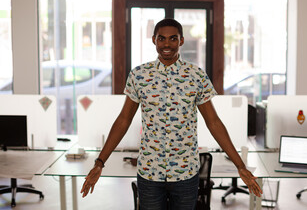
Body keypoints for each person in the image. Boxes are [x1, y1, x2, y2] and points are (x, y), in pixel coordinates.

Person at [80, 18, 262, 209]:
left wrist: (240, 165)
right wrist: (100, 162)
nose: (167, 44)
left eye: (173, 39)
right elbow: (123, 120)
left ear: (181, 41)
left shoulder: (196, 76)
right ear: (154, 40)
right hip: (150, 173)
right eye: (161, 38)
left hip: (185, 175)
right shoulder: (139, 75)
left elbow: (214, 122)